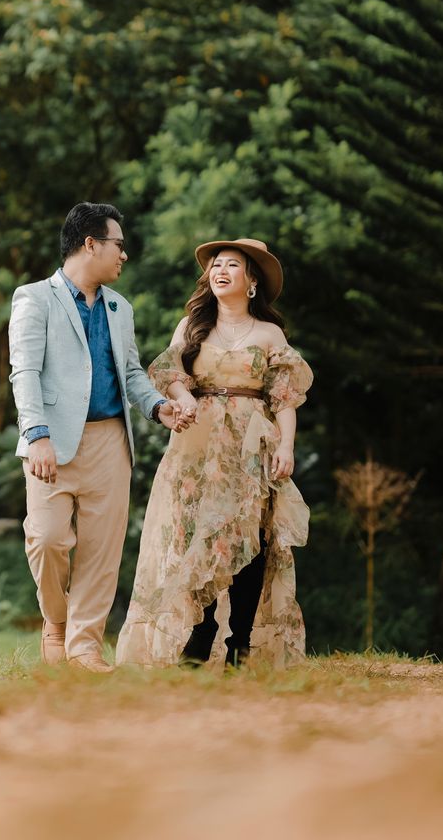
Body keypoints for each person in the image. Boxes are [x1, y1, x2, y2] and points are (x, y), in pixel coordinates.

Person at [7, 202, 196, 671]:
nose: (124, 256)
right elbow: (23, 372)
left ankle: (84, 648)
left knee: (101, 552)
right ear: (90, 244)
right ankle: (55, 622)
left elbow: (130, 372)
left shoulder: (119, 307)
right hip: (51, 442)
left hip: (111, 441)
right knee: (47, 539)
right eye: (118, 245)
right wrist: (36, 434)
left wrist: (158, 406)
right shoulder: (34, 298)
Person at [114, 238, 314, 670]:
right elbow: (170, 373)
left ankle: (241, 644)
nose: (221, 271)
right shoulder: (191, 326)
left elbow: (284, 397)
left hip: (250, 447)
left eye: (232, 265)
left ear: (252, 281)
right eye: (216, 265)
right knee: (195, 537)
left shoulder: (269, 333)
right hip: (197, 444)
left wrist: (286, 445)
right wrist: (184, 397)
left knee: (250, 539)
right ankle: (200, 636)